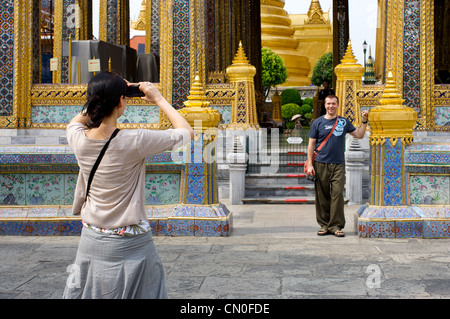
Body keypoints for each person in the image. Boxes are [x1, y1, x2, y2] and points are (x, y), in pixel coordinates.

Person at [63, 72, 194, 299]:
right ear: (122, 102)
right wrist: (158, 99)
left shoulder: (78, 138)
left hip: (91, 238)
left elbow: (78, 120)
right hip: (131, 244)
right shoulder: (136, 140)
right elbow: (187, 132)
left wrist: (104, 94)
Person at [305, 95, 368, 237]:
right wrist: (310, 163)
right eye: (328, 103)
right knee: (322, 195)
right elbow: (311, 144)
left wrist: (364, 121)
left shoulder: (343, 122)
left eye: (333, 103)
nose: (331, 106)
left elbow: (359, 135)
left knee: (337, 194)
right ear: (325, 105)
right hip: (320, 163)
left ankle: (336, 225)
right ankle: (324, 224)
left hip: (338, 164)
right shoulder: (318, 123)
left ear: (338, 105)